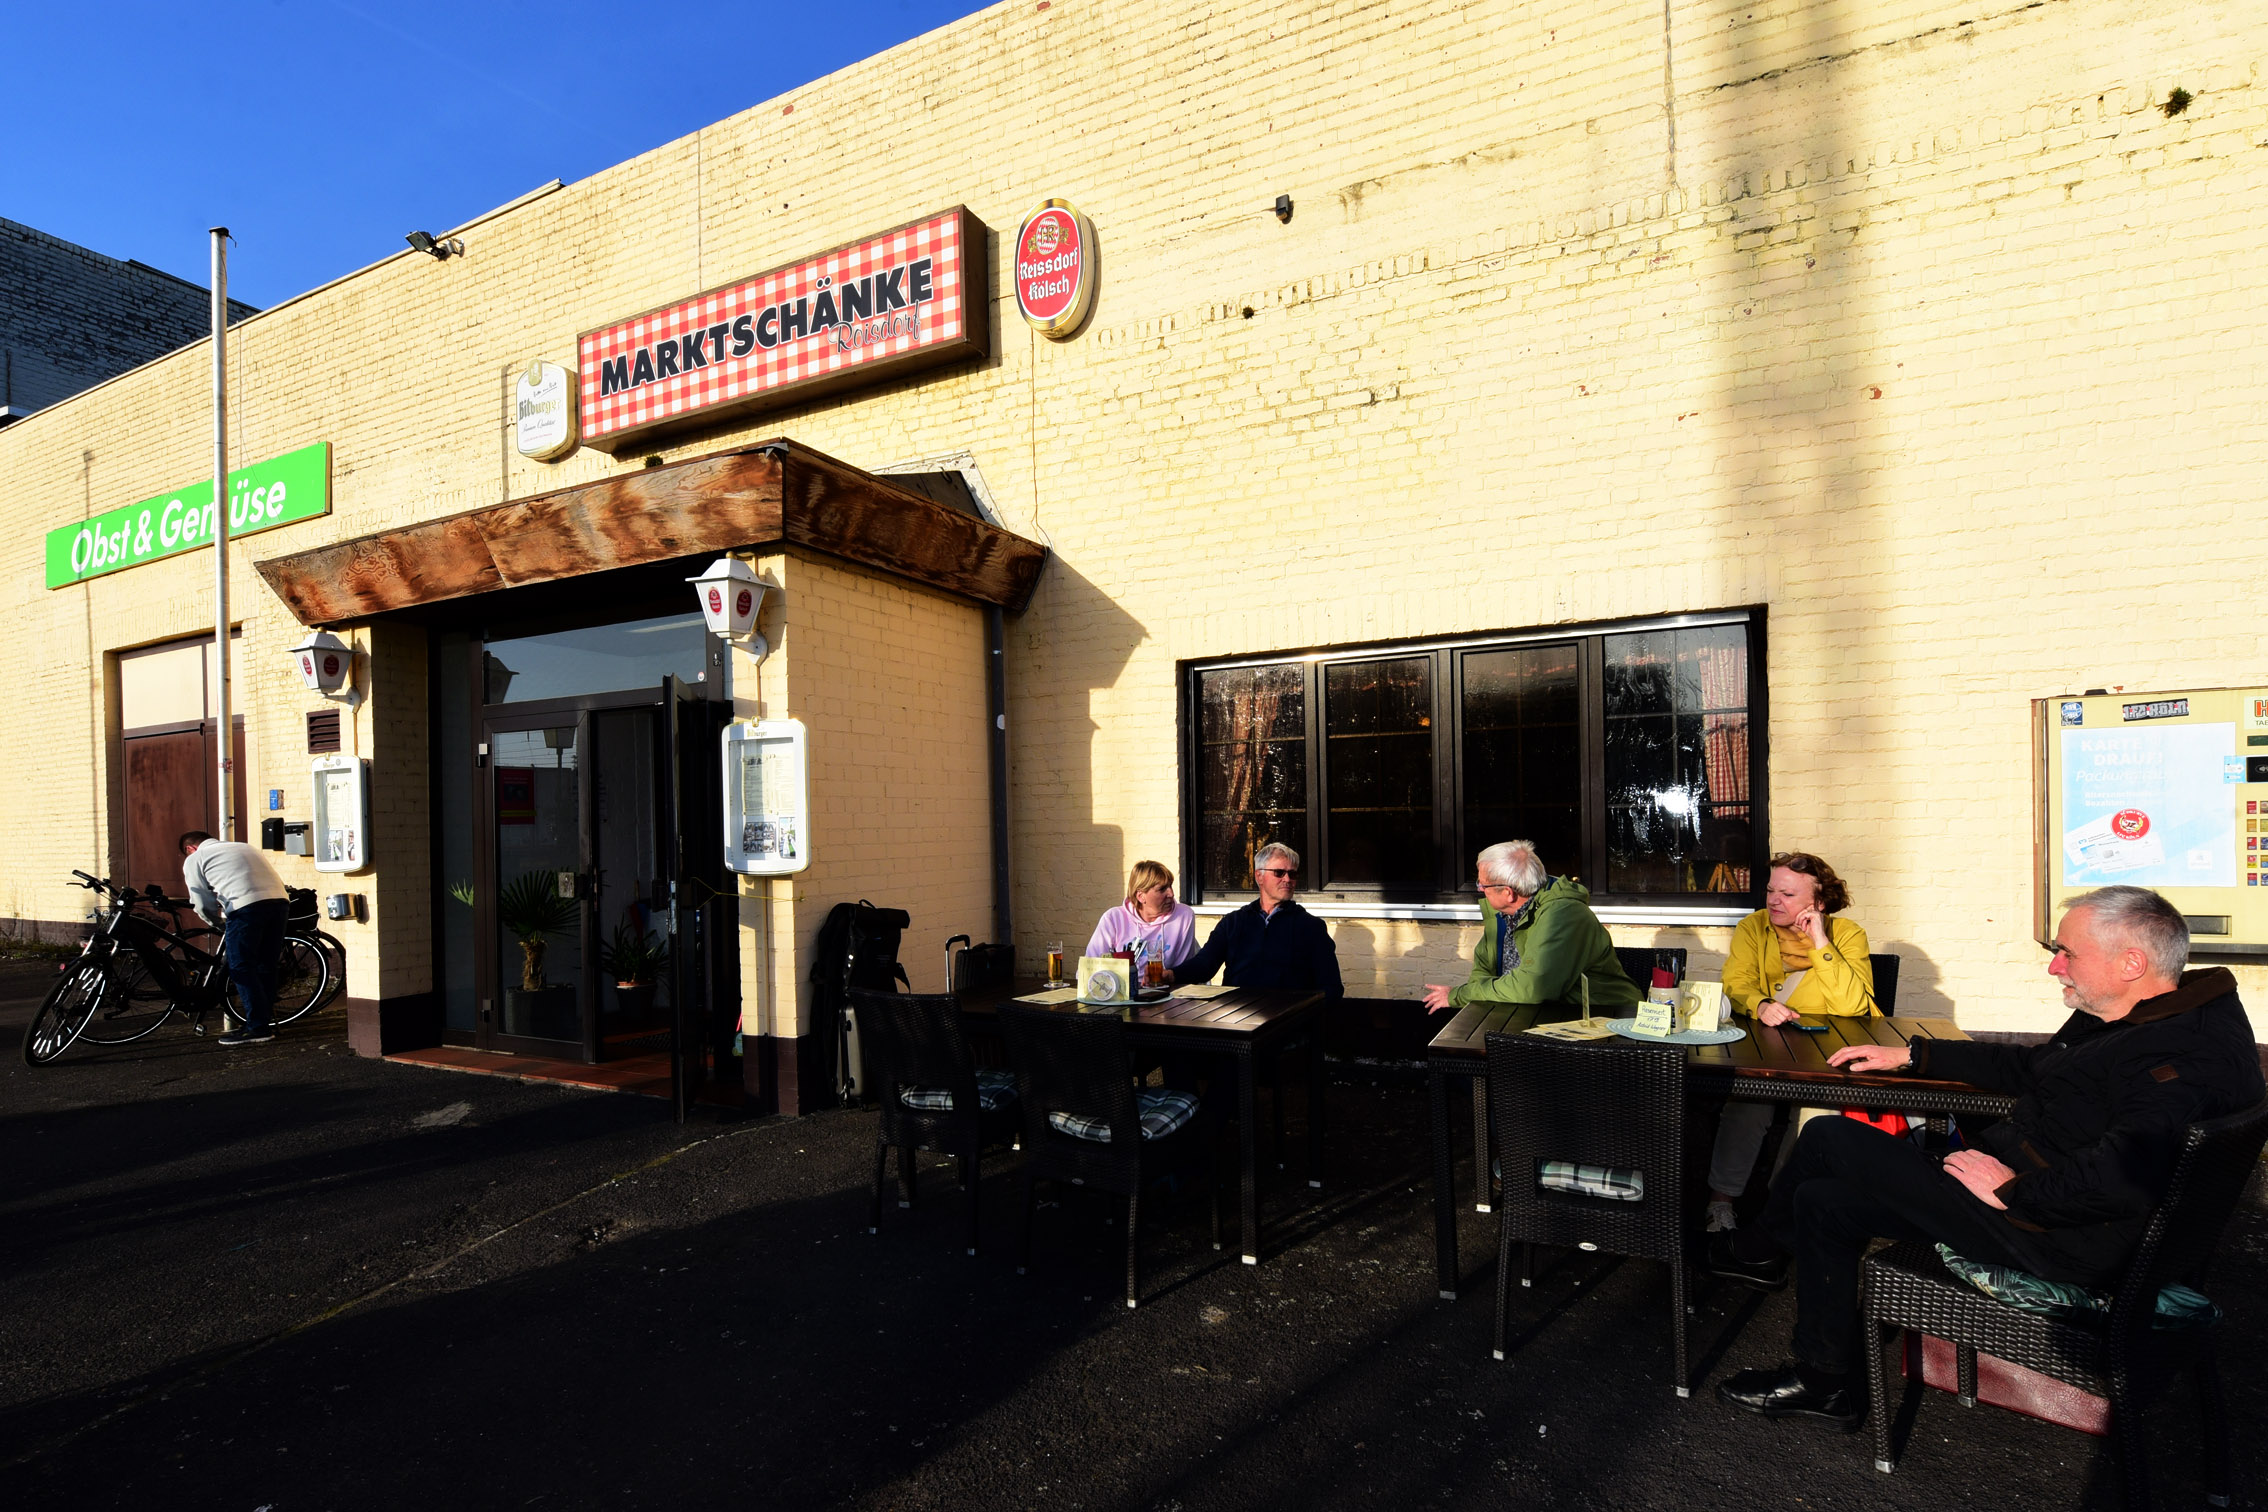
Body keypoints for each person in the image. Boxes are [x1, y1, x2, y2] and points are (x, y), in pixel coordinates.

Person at [1712, 886, 2265, 1430]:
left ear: (2131, 962)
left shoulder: (2181, 1057)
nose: (2055, 968)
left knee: (1830, 1139)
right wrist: (1914, 1054)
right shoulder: (2139, 1015)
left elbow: (2123, 1177)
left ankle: (1753, 1251)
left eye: (2066, 953)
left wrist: (2010, 1189)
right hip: (2039, 1199)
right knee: (1823, 1200)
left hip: (2058, 1233)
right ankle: (1823, 1381)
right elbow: (2034, 1069)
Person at [1706, 852, 1877, 1232]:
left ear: (1817, 903)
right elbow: (1736, 984)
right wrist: (1760, 1003)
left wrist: (1819, 940)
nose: (1772, 900)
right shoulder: (1754, 927)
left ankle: (1781, 1209)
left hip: (1825, 1054)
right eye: (1770, 890)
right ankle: (1720, 1203)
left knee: (1817, 1118)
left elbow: (1852, 1005)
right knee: (1746, 1103)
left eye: (1786, 894)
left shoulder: (1848, 936)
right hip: (1764, 1049)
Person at [1421, 840, 1641, 1024]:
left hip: (1607, 1020)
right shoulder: (1503, 915)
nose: (1479, 889)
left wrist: (1460, 994)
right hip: (1539, 1018)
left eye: (1482, 885)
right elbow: (1482, 971)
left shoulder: (1563, 914)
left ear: (1508, 892)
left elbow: (1534, 986)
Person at [1170, 842, 1342, 999]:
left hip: (1285, 1023)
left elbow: (1331, 988)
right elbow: (1204, 965)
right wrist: (1170, 975)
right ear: (1259, 876)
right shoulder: (1233, 922)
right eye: (1279, 873)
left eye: (1293, 873)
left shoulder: (1311, 927)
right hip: (1236, 1017)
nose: (1287, 879)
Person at [180, 829, 292, 1046]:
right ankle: (263, 1023)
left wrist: (216, 922)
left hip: (246, 907)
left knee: (241, 967)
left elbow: (201, 902)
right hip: (279, 902)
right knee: (266, 966)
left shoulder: (196, 858)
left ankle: (256, 1027)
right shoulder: (244, 846)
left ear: (189, 848)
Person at [1085, 860, 1198, 977]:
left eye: (1170, 886)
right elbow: (1090, 968)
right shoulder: (1113, 918)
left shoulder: (1183, 915)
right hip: (1124, 991)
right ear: (1140, 896)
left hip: (1168, 989)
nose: (1171, 894)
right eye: (1162, 889)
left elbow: (1183, 969)